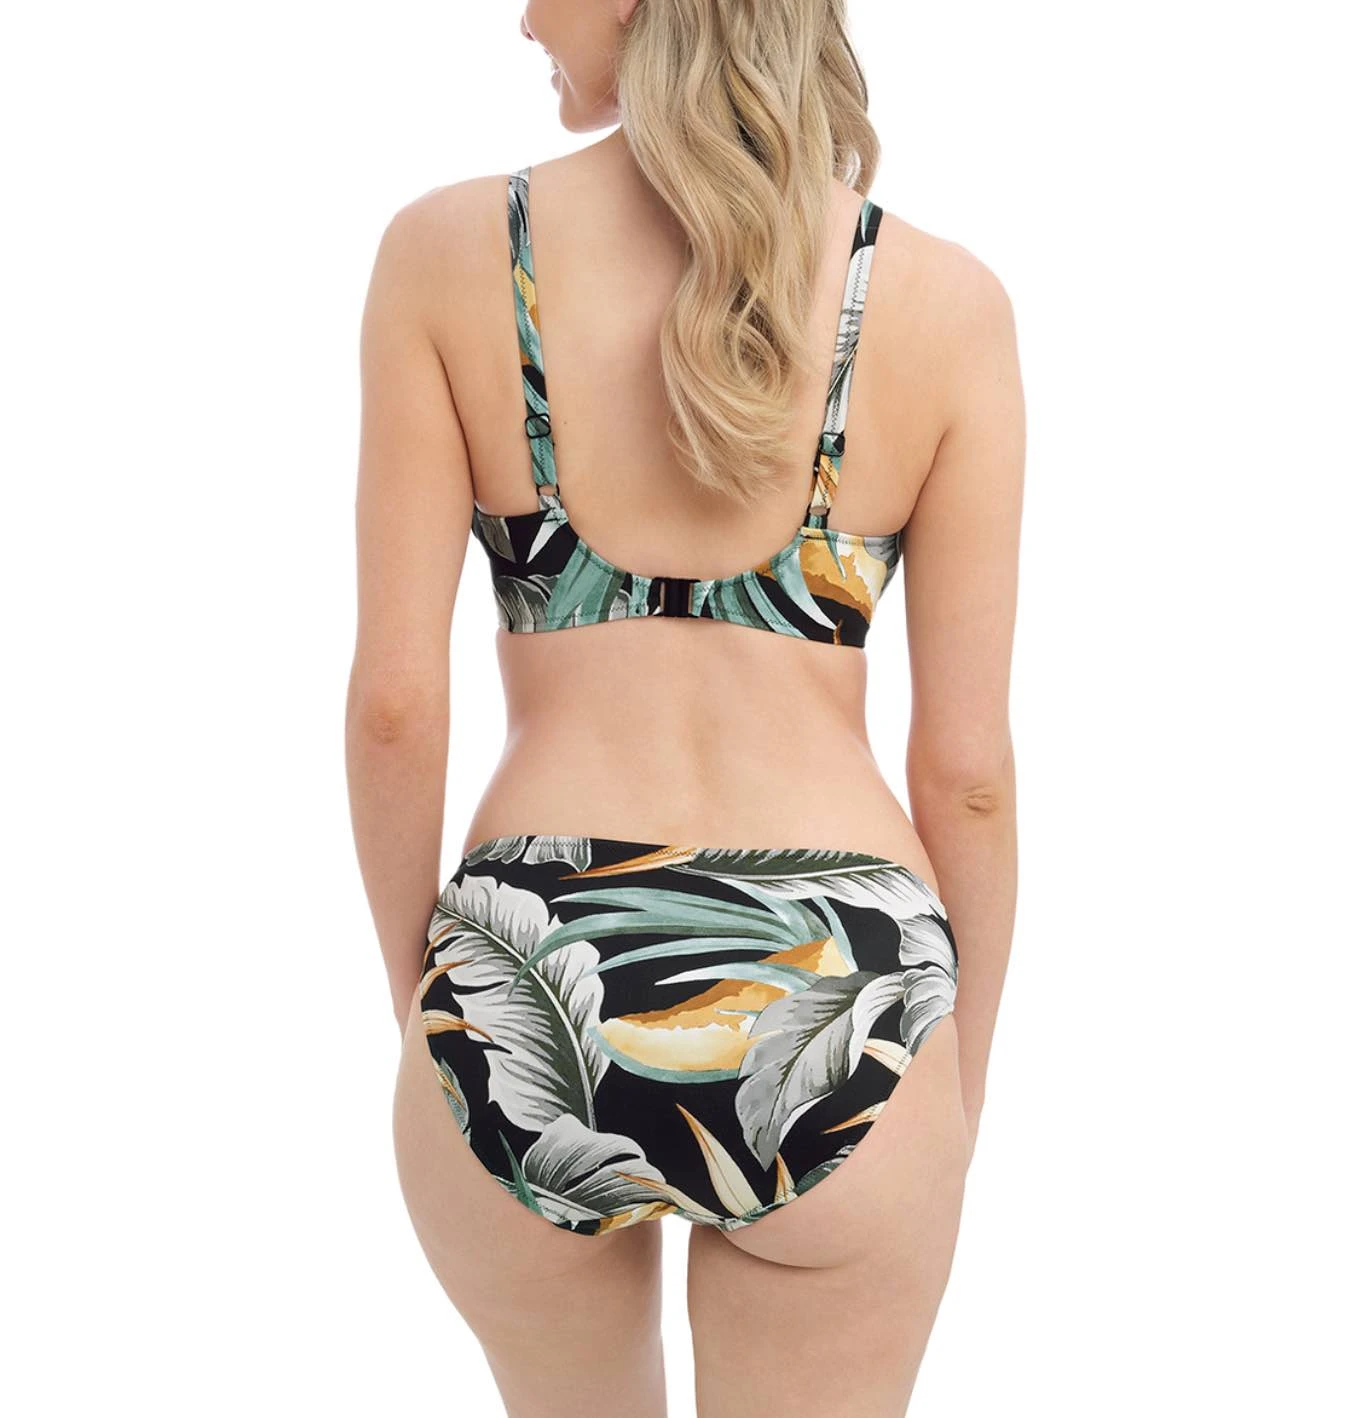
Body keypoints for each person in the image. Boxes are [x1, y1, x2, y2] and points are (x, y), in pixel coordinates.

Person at [345, 3, 1023, 1413]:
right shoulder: (945, 304)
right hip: (844, 975)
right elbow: (966, 772)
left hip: (529, 963)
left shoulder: (446, 256)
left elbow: (397, 706)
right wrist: (954, 1070)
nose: (520, 14)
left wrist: (428, 1002)